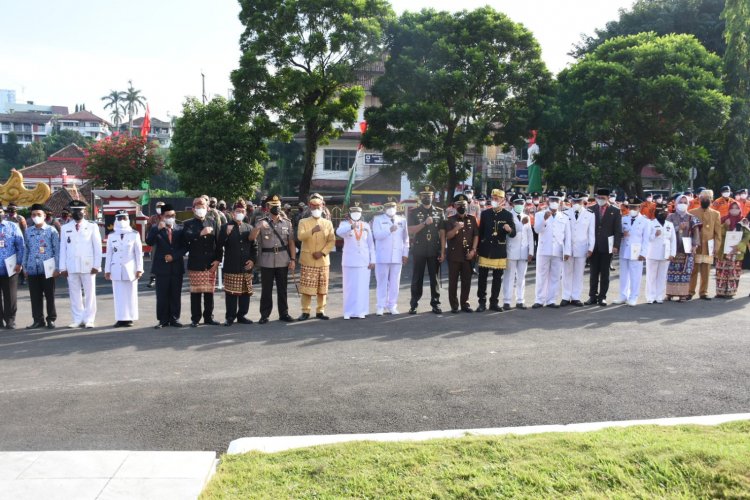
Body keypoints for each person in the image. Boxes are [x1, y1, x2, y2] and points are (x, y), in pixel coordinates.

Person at [254, 195, 296, 324]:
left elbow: (291, 243)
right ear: (268, 207)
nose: (277, 208)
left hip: (283, 259)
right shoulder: (261, 221)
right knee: (266, 289)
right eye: (274, 206)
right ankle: (264, 315)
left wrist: (293, 259)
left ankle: (284, 313)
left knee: (282, 289)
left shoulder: (287, 223)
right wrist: (258, 227)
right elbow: (252, 238)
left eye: (278, 205)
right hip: (266, 260)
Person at [59, 200, 101, 328]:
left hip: (88, 265)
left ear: (84, 211)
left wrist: (97, 265)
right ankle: (77, 318)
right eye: (74, 211)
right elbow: (63, 248)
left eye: (79, 210)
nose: (77, 213)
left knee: (90, 293)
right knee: (74, 293)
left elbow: (97, 247)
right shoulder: (65, 228)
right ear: (71, 212)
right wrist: (62, 267)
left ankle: (89, 319)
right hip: (71, 265)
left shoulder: (92, 226)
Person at [217, 199, 258, 326]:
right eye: (238, 211)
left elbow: (254, 247)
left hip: (246, 266)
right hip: (232, 265)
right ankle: (230, 316)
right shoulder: (225, 227)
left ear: (245, 213)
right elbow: (219, 245)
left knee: (245, 293)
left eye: (242, 211)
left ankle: (242, 315)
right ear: (233, 213)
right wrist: (226, 234)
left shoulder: (249, 227)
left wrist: (252, 260)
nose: (240, 213)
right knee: (231, 293)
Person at [182, 197, 222, 327]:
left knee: (209, 292)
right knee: (196, 293)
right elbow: (186, 237)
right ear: (193, 209)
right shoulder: (188, 223)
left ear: (207, 208)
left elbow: (218, 243)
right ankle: (195, 318)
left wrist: (218, 260)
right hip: (196, 262)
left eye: (203, 207)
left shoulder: (212, 221)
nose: (200, 209)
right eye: (197, 207)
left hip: (210, 263)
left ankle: (209, 317)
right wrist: (200, 233)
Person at [146, 203, 186, 328]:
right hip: (161, 268)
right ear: (162, 216)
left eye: (173, 215)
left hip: (176, 267)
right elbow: (149, 241)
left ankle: (174, 318)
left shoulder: (180, 228)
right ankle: (162, 320)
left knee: (175, 294)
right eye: (168, 215)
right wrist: (157, 228)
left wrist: (174, 256)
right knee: (162, 295)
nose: (171, 217)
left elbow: (184, 247)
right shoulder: (156, 228)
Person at [296, 193, 335, 320]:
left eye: (318, 206)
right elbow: (300, 237)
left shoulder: (328, 223)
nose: (316, 209)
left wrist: (322, 252)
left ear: (323, 206)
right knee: (307, 287)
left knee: (322, 288)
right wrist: (312, 230)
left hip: (322, 260)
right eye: (313, 206)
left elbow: (331, 241)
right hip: (308, 260)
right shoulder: (303, 221)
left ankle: (320, 310)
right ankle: (305, 311)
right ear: (309, 206)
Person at [408, 185, 446, 314]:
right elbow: (411, 230)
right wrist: (424, 223)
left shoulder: (439, 212)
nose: (427, 198)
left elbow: (442, 233)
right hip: (419, 248)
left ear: (433, 197)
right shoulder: (414, 212)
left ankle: (435, 303)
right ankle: (414, 304)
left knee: (434, 278)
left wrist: (442, 250)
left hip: (434, 249)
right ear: (420, 197)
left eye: (429, 196)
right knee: (417, 277)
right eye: (424, 196)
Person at [476, 189, 515, 312]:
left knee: (497, 278)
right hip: (485, 249)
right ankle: (481, 302)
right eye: (493, 198)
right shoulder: (485, 213)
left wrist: (509, 230)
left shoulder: (508, 215)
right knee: (482, 278)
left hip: (499, 250)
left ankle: (494, 303)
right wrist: (477, 249)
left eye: (497, 199)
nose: (494, 200)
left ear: (503, 200)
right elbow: (480, 232)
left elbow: (513, 234)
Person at [104, 210, 144, 327]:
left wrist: (139, 269)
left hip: (130, 269)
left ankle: (130, 318)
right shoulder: (112, 236)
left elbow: (138, 253)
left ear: (128, 220)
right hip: (116, 269)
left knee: (130, 294)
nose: (122, 221)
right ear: (116, 220)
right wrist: (107, 270)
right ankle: (120, 318)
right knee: (118, 295)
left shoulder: (134, 234)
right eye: (119, 218)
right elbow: (109, 254)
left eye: (124, 218)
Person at [23, 204, 59, 329]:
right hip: (33, 268)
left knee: (50, 295)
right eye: (33, 215)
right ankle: (38, 320)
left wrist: (57, 267)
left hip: (48, 269)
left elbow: (57, 250)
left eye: (39, 214)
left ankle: (51, 319)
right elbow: (26, 250)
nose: (36, 217)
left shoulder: (51, 230)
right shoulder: (28, 231)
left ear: (44, 216)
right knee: (35, 296)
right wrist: (25, 267)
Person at [336, 204, 376, 319]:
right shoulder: (344, 224)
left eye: (358, 213)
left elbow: (371, 245)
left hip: (364, 261)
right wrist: (351, 227)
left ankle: (361, 311)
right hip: (349, 261)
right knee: (349, 287)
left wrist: (372, 259)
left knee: (362, 287)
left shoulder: (366, 225)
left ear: (361, 214)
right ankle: (348, 311)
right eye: (354, 212)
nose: (356, 215)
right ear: (350, 214)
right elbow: (339, 232)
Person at [533, 190, 571, 308]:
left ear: (560, 202)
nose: (554, 202)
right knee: (541, 275)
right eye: (552, 200)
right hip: (544, 249)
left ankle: (551, 300)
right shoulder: (540, 214)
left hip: (558, 250)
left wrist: (567, 251)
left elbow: (567, 236)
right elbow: (537, 230)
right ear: (548, 201)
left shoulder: (564, 217)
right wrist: (544, 219)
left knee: (555, 276)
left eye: (556, 200)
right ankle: (539, 300)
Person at [586, 188, 622, 306]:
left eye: (603, 198)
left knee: (605, 273)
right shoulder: (590, 209)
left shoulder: (615, 211)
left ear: (608, 198)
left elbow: (617, 230)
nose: (600, 200)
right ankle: (592, 296)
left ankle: (602, 297)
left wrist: (616, 245)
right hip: (593, 246)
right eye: (598, 197)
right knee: (593, 273)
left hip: (608, 246)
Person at [372, 200, 409, 315]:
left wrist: (405, 253)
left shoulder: (402, 220)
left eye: (393, 207)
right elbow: (377, 235)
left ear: (396, 208)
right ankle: (380, 306)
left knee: (395, 283)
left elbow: (405, 238)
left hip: (397, 256)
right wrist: (389, 230)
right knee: (381, 282)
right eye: (388, 207)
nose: (391, 209)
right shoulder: (378, 219)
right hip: (382, 256)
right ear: (384, 209)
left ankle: (392, 305)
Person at [444, 194, 479, 313]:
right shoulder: (450, 220)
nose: (461, 207)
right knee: (453, 281)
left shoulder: (472, 219)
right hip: (454, 255)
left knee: (466, 281)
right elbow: (448, 236)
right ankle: (454, 305)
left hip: (468, 255)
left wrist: (473, 250)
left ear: (467, 205)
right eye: (459, 205)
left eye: (463, 205)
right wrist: (456, 228)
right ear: (454, 206)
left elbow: (476, 235)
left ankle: (465, 304)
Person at [613, 197, 650, 306]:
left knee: (635, 275)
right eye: (631, 207)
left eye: (635, 207)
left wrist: (643, 253)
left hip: (636, 251)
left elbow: (646, 239)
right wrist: (621, 236)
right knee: (624, 274)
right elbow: (618, 233)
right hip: (624, 249)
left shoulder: (645, 221)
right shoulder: (623, 219)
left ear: (639, 207)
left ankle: (633, 296)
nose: (632, 209)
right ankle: (623, 295)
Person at [666, 194, 702, 302]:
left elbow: (696, 233)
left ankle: (683, 294)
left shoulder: (692, 217)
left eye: (685, 202)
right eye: (680, 202)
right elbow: (666, 232)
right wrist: (678, 228)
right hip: (673, 249)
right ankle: (670, 294)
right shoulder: (670, 217)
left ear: (688, 204)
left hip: (687, 250)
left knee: (685, 272)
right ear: (676, 203)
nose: (682, 204)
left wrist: (695, 245)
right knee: (671, 272)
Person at [561, 192, 594, 307]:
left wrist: (591, 247)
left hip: (582, 247)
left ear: (583, 202)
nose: (576, 203)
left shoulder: (590, 214)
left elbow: (591, 233)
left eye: (578, 201)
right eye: (574, 201)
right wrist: (564, 249)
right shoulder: (564, 213)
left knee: (578, 274)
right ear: (570, 202)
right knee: (567, 273)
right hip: (568, 248)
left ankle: (576, 297)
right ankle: (565, 296)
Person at [688, 190, 722, 300]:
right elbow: (689, 231)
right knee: (693, 270)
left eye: (707, 198)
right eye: (703, 197)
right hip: (695, 246)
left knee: (706, 271)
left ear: (711, 199)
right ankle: (690, 291)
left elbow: (718, 233)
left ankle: (703, 292)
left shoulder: (716, 214)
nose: (705, 200)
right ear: (699, 198)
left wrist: (716, 248)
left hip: (709, 246)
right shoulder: (692, 212)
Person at [503, 193, 534, 310]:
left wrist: (531, 251)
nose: (520, 205)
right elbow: (510, 233)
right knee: (509, 277)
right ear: (512, 204)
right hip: (511, 251)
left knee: (521, 277)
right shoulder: (507, 216)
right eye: (517, 203)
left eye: (522, 203)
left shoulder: (527, 216)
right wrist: (522, 224)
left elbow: (530, 235)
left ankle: (520, 300)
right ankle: (507, 301)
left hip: (524, 252)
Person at [714, 201, 748, 298]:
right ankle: (720, 292)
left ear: (740, 209)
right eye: (732, 207)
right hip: (724, 249)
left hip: (736, 251)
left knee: (733, 272)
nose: (734, 209)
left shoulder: (744, 221)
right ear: (729, 209)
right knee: (722, 271)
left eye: (736, 208)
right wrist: (725, 225)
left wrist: (739, 245)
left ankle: (731, 292)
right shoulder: (724, 219)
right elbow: (718, 233)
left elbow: (747, 236)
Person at [645, 203, 677, 304]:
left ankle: (659, 296)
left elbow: (673, 240)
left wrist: (672, 253)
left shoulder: (669, 224)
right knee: (651, 276)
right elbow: (647, 239)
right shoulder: (650, 223)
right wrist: (654, 235)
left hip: (665, 254)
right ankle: (650, 296)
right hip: (652, 253)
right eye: (660, 212)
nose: (662, 213)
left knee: (662, 276)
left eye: (664, 212)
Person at [145, 201, 165, 288]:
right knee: (154, 260)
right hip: (156, 242)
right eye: (158, 206)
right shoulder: (152, 218)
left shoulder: (168, 216)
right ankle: (153, 278)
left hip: (167, 241)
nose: (160, 208)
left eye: (161, 206)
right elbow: (148, 229)